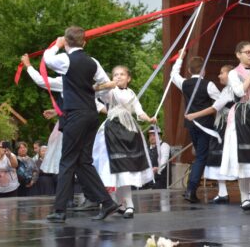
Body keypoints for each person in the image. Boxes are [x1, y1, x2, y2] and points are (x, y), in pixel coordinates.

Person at [43, 26, 119, 223]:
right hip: (91, 115)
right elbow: (104, 88)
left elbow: (47, 59)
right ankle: (107, 202)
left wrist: (56, 45)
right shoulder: (93, 62)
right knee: (83, 161)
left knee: (67, 161)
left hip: (75, 116)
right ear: (84, 42)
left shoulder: (65, 59)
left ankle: (60, 211)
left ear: (67, 43)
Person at [21, 53, 107, 211]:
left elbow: (42, 81)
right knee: (76, 163)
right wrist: (56, 112)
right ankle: (93, 199)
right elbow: (89, 103)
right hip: (75, 124)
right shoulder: (80, 81)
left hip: (71, 126)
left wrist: (28, 66)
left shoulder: (66, 80)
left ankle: (75, 201)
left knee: (69, 163)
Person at [92, 65, 156, 219]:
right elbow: (93, 91)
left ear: (129, 78)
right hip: (112, 131)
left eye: (122, 74)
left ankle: (129, 205)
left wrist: (149, 119)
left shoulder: (132, 93)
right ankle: (118, 203)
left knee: (125, 167)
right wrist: (108, 85)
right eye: (115, 74)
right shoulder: (110, 91)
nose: (118, 77)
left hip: (129, 132)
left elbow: (139, 112)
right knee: (113, 168)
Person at [170, 50, 221, 203]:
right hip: (205, 125)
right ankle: (191, 190)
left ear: (189, 70)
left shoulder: (185, 83)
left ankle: (191, 188)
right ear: (204, 70)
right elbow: (220, 101)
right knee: (201, 157)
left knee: (199, 155)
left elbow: (173, 74)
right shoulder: (209, 84)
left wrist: (180, 57)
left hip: (191, 125)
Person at [185, 65, 237, 204]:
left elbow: (216, 107)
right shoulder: (228, 90)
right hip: (224, 126)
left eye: (222, 73)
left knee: (230, 157)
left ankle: (249, 194)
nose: (219, 76)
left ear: (231, 74)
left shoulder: (232, 90)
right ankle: (223, 192)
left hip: (228, 126)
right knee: (218, 158)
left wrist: (194, 115)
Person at [220, 42, 250, 210]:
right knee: (242, 156)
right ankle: (245, 196)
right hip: (241, 115)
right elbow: (239, 92)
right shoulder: (233, 73)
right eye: (247, 52)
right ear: (238, 54)